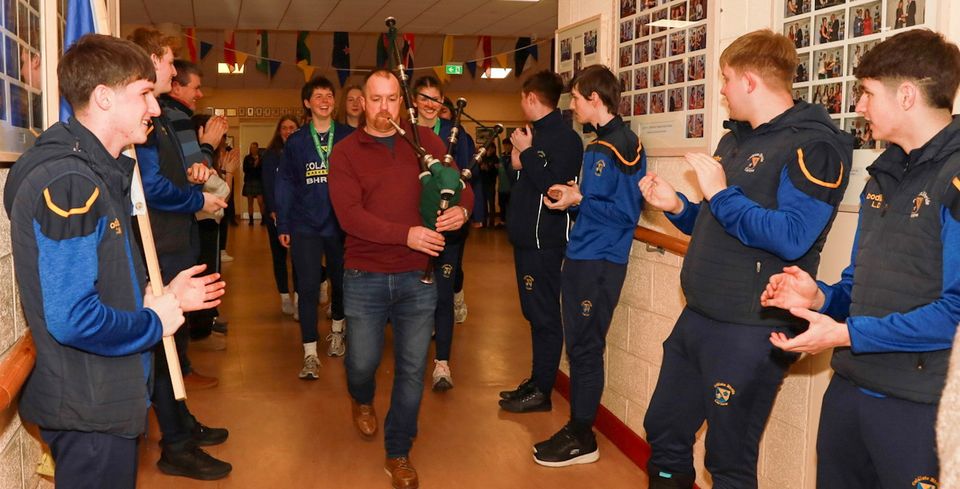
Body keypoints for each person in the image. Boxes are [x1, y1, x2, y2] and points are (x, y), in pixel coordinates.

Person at [3, 33, 225, 489]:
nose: (157, 107)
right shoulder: (70, 182)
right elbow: (73, 318)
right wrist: (153, 319)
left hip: (101, 396)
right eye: (144, 94)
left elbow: (94, 276)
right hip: (90, 408)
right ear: (104, 98)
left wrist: (146, 293)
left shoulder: (92, 168)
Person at [638, 30, 852, 489]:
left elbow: (792, 238)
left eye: (726, 79)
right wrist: (677, 206)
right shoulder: (734, 141)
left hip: (752, 326)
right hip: (699, 316)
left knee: (728, 458)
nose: (721, 90)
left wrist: (719, 191)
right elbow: (721, 223)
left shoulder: (814, 146)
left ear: (751, 81)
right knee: (665, 430)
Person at [760, 29, 960, 488]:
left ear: (907, 95)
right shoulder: (882, 175)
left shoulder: (955, 179)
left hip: (918, 403)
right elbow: (859, 285)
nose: (859, 107)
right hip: (851, 387)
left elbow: (956, 314)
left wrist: (846, 332)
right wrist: (820, 299)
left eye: (867, 93)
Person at [328, 69, 472, 489]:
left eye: (392, 98)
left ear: (401, 101)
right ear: (360, 102)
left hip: (418, 276)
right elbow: (349, 217)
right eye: (376, 99)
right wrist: (404, 234)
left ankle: (398, 451)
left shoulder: (425, 142)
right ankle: (361, 397)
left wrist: (462, 210)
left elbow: (460, 185)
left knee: (411, 369)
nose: (385, 108)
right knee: (362, 362)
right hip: (364, 274)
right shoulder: (346, 153)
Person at [530, 64, 645, 467]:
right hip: (581, 255)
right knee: (577, 348)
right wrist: (574, 194)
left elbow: (627, 212)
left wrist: (580, 201)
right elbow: (601, 199)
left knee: (585, 350)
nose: (573, 105)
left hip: (601, 261)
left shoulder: (624, 145)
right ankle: (577, 428)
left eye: (576, 98)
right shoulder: (598, 144)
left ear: (595, 99)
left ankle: (582, 436)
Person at [129, 34, 232, 480]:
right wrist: (199, 200)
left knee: (169, 346)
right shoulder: (147, 118)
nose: (174, 72)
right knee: (160, 347)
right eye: (170, 63)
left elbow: (168, 173)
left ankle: (182, 424)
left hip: (173, 243)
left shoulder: (162, 118)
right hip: (161, 249)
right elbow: (151, 188)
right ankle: (175, 443)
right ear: (153, 60)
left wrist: (194, 172)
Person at [498, 70, 583, 414]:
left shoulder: (566, 139)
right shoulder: (533, 136)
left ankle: (542, 390)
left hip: (545, 242)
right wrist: (519, 161)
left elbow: (553, 186)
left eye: (522, 98)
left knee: (545, 315)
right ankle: (536, 380)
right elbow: (527, 181)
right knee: (533, 314)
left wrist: (528, 153)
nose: (521, 104)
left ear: (532, 98)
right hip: (524, 240)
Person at [277, 76, 354, 372]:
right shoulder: (296, 141)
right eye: (318, 96)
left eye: (329, 96)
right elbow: (285, 184)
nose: (324, 101)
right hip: (305, 225)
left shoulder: (348, 136)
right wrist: (283, 223)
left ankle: (337, 333)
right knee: (307, 288)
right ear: (307, 103)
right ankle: (310, 351)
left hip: (341, 225)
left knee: (342, 283)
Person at [411, 75, 475, 390]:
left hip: (448, 228)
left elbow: (466, 181)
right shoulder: (405, 133)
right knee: (414, 296)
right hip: (414, 228)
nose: (430, 104)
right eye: (424, 97)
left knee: (443, 296)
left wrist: (461, 211)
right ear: (414, 100)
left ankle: (442, 364)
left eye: (435, 99)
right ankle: (411, 359)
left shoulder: (457, 136)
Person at [262, 115, 300, 316]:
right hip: (276, 214)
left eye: (292, 127)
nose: (288, 131)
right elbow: (268, 185)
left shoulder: (304, 151)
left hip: (300, 215)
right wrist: (274, 210)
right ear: (279, 131)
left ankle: (299, 299)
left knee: (299, 258)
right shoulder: (270, 156)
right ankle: (285, 296)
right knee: (279, 256)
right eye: (284, 128)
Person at [242, 142, 264, 224]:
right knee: (250, 201)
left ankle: (263, 219)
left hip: (258, 181)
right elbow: (245, 169)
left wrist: (258, 163)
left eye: (254, 147)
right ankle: (251, 220)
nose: (253, 149)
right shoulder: (247, 158)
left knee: (261, 202)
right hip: (249, 181)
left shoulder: (262, 158)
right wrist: (254, 165)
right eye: (251, 148)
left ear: (257, 148)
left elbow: (263, 170)